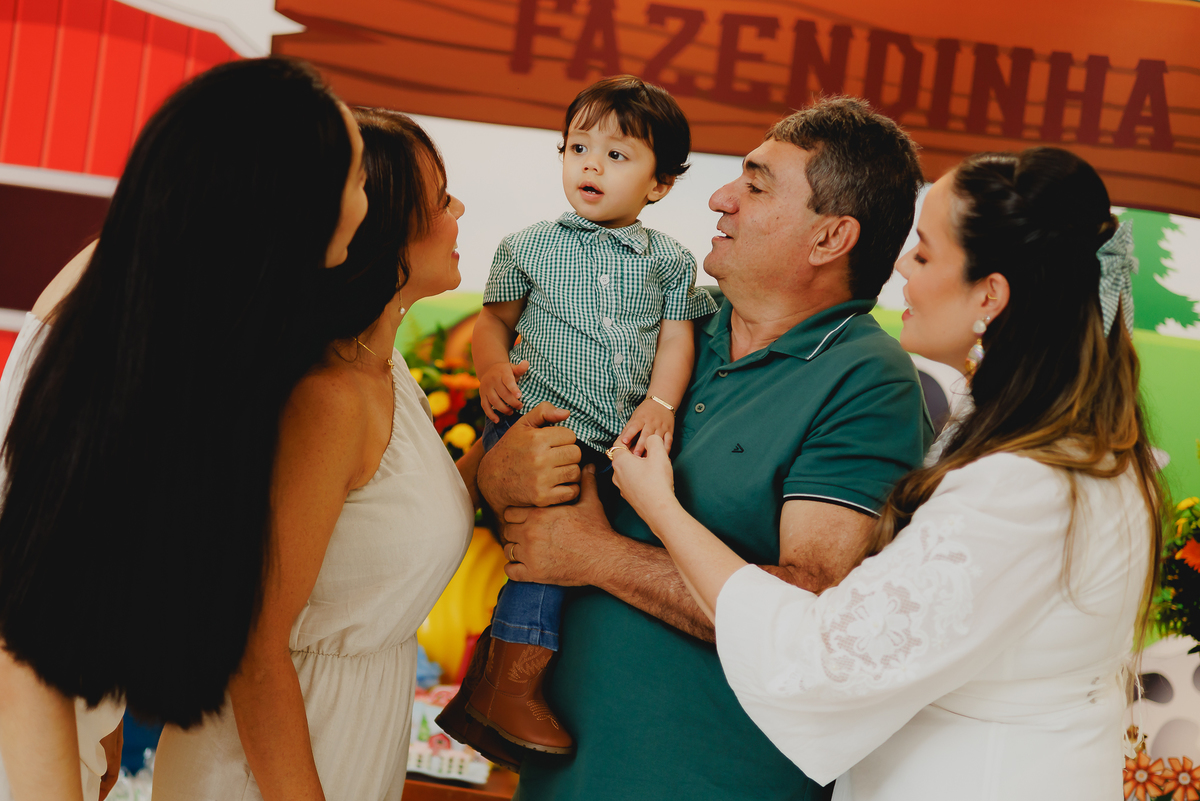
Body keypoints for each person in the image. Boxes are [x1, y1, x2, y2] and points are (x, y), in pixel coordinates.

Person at [610, 147, 1162, 800]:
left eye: (924, 253)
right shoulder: (1045, 441)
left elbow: (823, 660)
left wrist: (658, 507)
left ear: (989, 294)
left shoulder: (1024, 484)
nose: (901, 264)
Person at [485, 98, 932, 799]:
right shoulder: (666, 328)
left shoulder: (868, 380)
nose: (721, 198)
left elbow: (812, 612)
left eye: (755, 186)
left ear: (829, 238)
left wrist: (599, 556)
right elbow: (520, 500)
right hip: (559, 775)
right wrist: (497, 472)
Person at [0, 58, 368, 801]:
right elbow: (18, 639)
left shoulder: (179, 312)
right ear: (292, 199)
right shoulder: (140, 350)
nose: (367, 201)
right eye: (360, 177)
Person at [150, 108, 479, 801]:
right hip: (277, 755)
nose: (460, 211)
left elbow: (392, 522)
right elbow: (253, 643)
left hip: (354, 725)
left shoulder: (385, 370)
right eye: (441, 197)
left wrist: (493, 460)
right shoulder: (327, 399)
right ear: (384, 229)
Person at [461, 74, 716, 755]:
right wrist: (491, 369)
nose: (591, 166)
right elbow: (492, 322)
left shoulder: (670, 262)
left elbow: (677, 339)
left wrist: (660, 402)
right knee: (550, 548)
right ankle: (509, 686)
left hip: (608, 434)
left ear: (659, 184)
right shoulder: (528, 246)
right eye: (578, 148)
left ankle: (499, 679)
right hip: (538, 422)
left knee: (581, 552)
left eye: (617, 155)